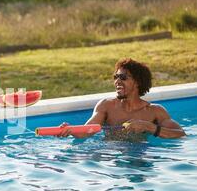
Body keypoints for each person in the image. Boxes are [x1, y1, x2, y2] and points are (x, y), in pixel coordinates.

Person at [57, 58, 186, 139]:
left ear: (138, 82)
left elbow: (180, 134)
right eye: (116, 77)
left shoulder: (154, 111)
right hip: (110, 157)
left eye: (123, 77)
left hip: (139, 155)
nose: (117, 81)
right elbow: (87, 130)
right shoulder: (106, 106)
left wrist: (148, 127)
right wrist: (71, 130)